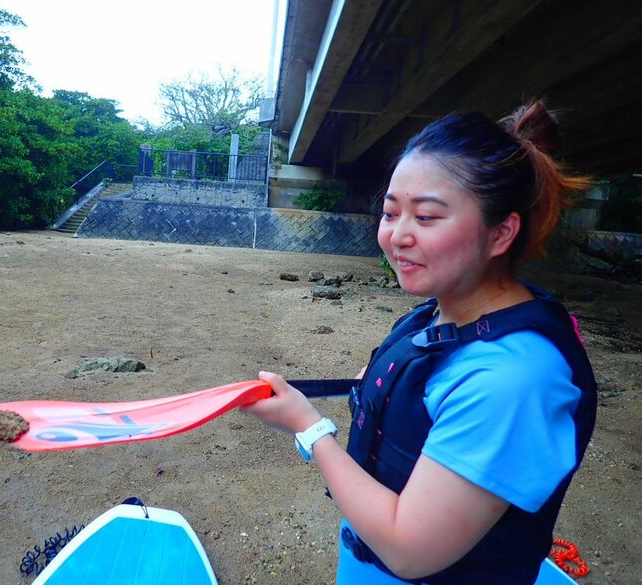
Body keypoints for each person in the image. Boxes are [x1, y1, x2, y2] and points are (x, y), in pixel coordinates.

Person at [241, 100, 598, 585]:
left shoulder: (512, 380)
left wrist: (309, 428)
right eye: (390, 213)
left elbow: (410, 552)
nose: (397, 236)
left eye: (426, 217)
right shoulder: (435, 315)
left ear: (501, 233)